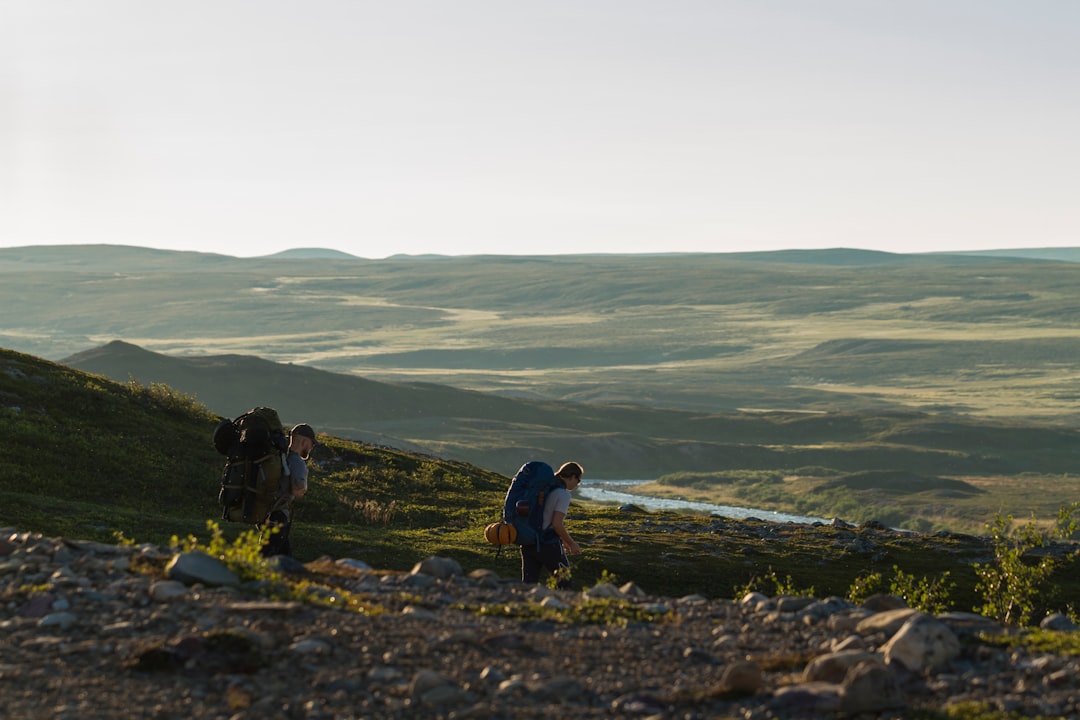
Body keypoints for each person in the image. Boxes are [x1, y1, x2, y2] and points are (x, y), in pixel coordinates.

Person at [521, 461, 584, 589]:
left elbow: (543, 518)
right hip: (548, 545)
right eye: (578, 479)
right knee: (564, 583)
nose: (578, 483)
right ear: (572, 476)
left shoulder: (544, 489)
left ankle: (524, 607)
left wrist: (563, 540)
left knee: (528, 585)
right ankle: (560, 608)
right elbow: (556, 523)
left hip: (528, 542)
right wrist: (571, 543)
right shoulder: (563, 494)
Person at [262, 423, 316, 557]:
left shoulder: (281, 457)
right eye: (311, 444)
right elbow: (297, 490)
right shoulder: (297, 462)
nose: (311, 448)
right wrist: (304, 488)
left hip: (265, 511)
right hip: (279, 514)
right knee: (267, 554)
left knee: (283, 555)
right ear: (304, 441)